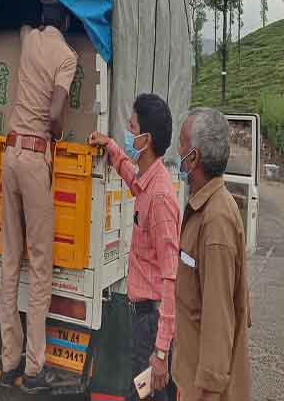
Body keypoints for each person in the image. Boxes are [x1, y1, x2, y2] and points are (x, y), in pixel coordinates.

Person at [0, 0, 78, 394]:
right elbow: (54, 114)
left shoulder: (28, 39)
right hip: (33, 160)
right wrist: (59, 133)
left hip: (8, 155)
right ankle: (34, 368)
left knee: (10, 261)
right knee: (40, 266)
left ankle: (9, 361)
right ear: (65, 17)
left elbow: (22, 25)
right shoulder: (67, 56)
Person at [89, 93, 180, 401]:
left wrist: (160, 350)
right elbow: (132, 179)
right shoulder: (148, 182)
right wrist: (113, 150)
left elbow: (171, 277)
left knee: (147, 395)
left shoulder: (160, 198)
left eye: (131, 127)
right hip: (144, 320)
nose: (128, 133)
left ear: (146, 139)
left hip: (152, 324)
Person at [173, 107, 252, 401]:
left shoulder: (216, 221)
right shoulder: (204, 207)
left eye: (181, 142)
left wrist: (206, 391)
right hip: (190, 378)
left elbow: (218, 319)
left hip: (205, 390)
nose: (176, 149)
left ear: (192, 158)